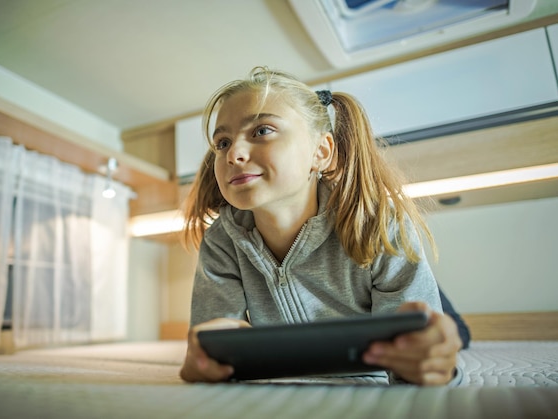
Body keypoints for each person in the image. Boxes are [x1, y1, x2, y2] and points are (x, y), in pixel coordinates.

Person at [179, 66, 463, 386]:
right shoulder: (222, 241)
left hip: (375, 276)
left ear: (321, 152)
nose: (234, 154)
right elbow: (208, 353)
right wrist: (200, 364)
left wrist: (437, 363)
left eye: (262, 131)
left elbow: (426, 370)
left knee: (451, 331)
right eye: (222, 143)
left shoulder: (379, 222)